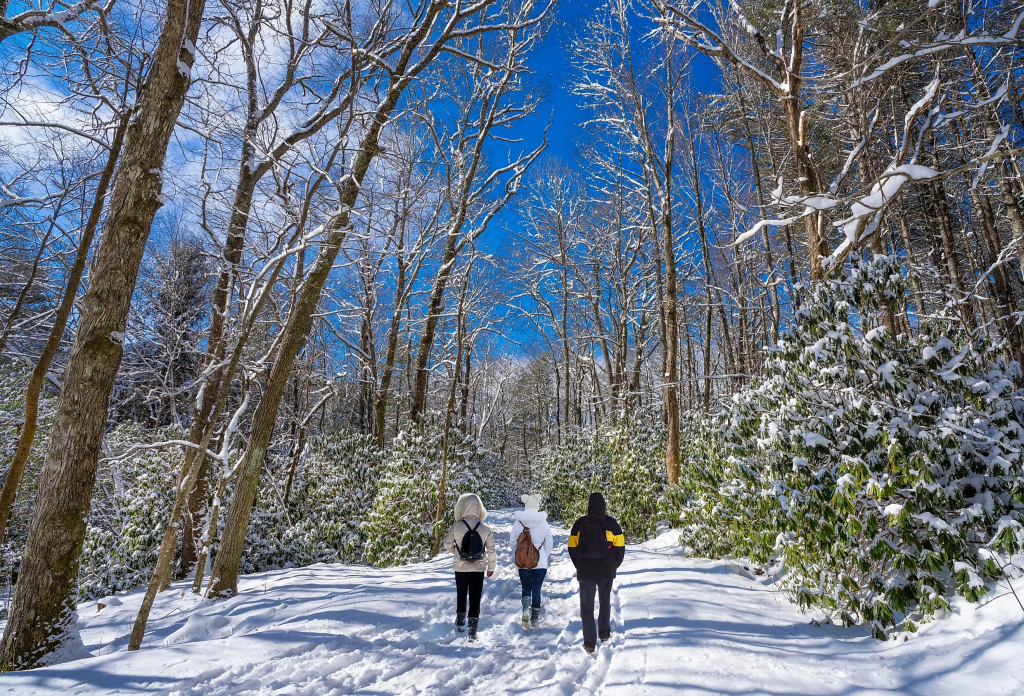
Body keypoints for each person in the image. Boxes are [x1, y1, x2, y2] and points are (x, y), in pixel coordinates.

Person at [567, 492, 625, 654]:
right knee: (604, 602)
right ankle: (605, 635)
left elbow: (572, 547)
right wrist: (614, 565)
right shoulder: (612, 524)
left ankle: (589, 643)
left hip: (585, 571)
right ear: (604, 505)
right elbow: (620, 548)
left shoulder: (579, 523)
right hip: (606, 570)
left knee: (586, 608)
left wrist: (580, 564)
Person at [442, 492, 496, 640]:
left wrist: (457, 552)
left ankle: (460, 623)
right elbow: (491, 549)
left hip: (460, 568)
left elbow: (447, 544)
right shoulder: (484, 528)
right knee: (475, 597)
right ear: (479, 508)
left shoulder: (457, 526)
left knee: (461, 594)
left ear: (462, 507)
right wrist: (491, 567)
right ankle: (472, 631)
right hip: (478, 569)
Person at [510, 493, 554, 628]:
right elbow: (549, 543)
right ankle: (534, 619)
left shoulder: (518, 523)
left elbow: (513, 543)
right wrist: (542, 557)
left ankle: (526, 610)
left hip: (523, 563)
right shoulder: (544, 523)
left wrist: (522, 553)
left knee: (525, 587)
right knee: (536, 590)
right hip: (540, 563)